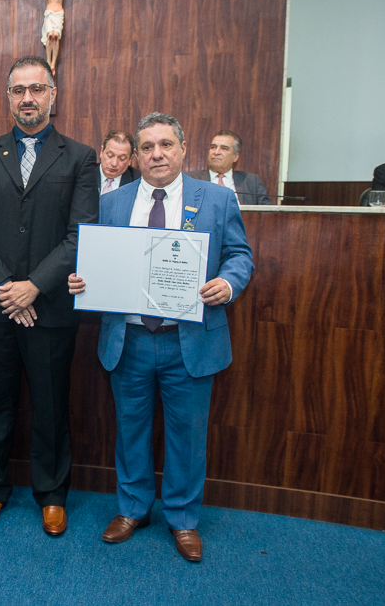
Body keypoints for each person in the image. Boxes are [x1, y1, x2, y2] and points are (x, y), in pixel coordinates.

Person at [68, 112, 253, 562]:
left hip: (188, 341)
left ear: (183, 149)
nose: (157, 154)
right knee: (130, 429)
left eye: (166, 145)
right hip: (128, 338)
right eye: (147, 147)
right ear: (136, 155)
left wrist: (228, 283)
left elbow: (240, 255)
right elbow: (94, 258)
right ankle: (132, 509)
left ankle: (183, 518)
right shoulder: (112, 202)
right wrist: (82, 279)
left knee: (187, 435)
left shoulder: (216, 199)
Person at [0, 55, 99, 536]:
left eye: (37, 89)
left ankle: (52, 495)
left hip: (50, 306)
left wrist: (34, 286)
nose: (27, 98)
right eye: (18, 90)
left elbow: (81, 234)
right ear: (8, 98)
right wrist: (7, 289)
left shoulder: (80, 157)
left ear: (52, 95)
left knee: (51, 407)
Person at [4, 0, 103, 74]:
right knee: (49, 36)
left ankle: (52, 64)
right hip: (49, 13)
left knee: (55, 37)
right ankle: (48, 60)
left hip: (58, 14)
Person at [187, 130, 272, 205]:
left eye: (224, 148)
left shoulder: (251, 181)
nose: (216, 152)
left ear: (235, 157)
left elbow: (267, 214)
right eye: (213, 147)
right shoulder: (190, 179)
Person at [98, 129, 138, 194]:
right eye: (110, 155)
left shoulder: (138, 182)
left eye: (122, 158)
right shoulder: (85, 174)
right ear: (102, 152)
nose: (114, 163)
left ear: (130, 160)